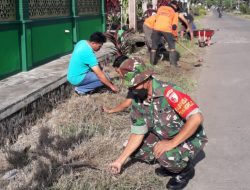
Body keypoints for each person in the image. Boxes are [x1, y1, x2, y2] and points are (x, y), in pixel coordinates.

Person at [109, 63, 208, 189]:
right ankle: (169, 165)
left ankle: (185, 171)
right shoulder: (138, 98)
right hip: (163, 135)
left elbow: (196, 118)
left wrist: (172, 144)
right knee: (131, 147)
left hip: (189, 137)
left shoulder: (169, 91)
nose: (132, 89)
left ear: (146, 78)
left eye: (135, 84)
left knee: (166, 156)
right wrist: (120, 161)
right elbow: (138, 132)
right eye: (130, 86)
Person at [150, 0, 190, 67]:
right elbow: (174, 26)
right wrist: (175, 36)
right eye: (177, 7)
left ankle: (152, 64)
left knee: (153, 47)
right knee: (172, 47)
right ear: (175, 6)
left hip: (156, 28)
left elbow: (156, 19)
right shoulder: (174, 12)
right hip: (166, 29)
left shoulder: (160, 8)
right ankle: (173, 65)